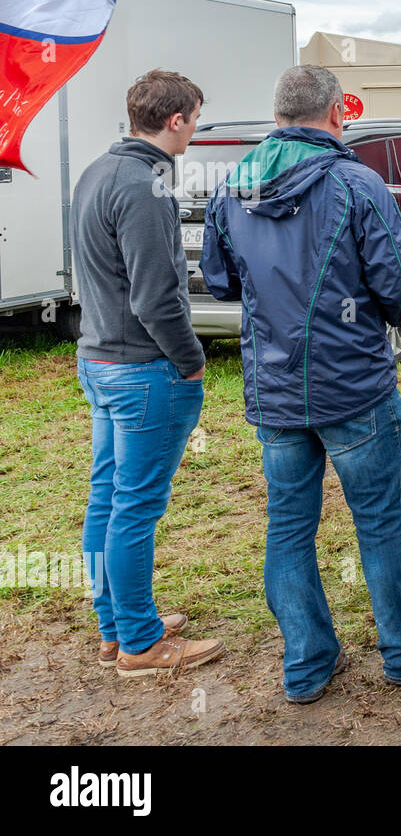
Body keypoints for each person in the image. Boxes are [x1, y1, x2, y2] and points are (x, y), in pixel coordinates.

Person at [201, 65, 401, 703]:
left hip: (275, 387)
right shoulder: (357, 182)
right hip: (354, 385)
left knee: (288, 526)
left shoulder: (230, 189)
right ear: (335, 116)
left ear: (276, 118)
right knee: (379, 521)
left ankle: (306, 662)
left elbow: (220, 282)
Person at [71, 70, 225, 678]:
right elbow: (157, 299)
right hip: (142, 370)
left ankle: (117, 627)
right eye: (194, 118)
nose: (193, 128)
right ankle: (139, 641)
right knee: (133, 508)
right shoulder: (145, 187)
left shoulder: (97, 172)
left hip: (101, 360)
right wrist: (191, 362)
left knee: (107, 500)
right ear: (177, 120)